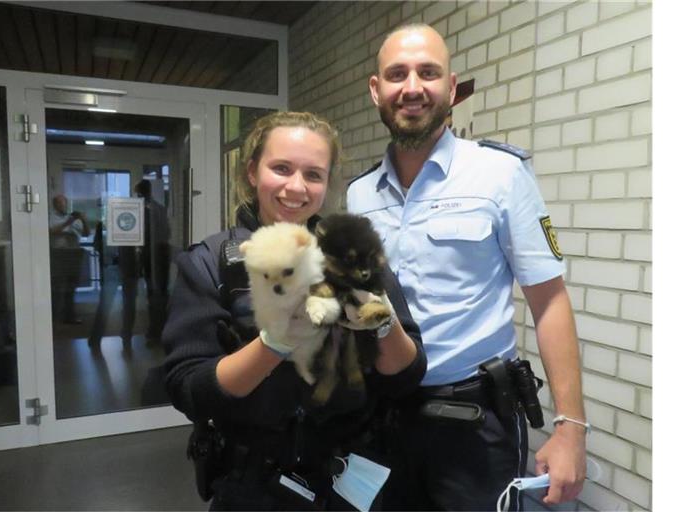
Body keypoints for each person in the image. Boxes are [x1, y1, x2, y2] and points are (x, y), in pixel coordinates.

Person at [347, 24, 588, 511]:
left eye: (428, 73)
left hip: (474, 424)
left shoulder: (500, 174)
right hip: (382, 419)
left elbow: (549, 301)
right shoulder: (359, 195)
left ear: (451, 88)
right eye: (397, 74)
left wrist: (571, 427)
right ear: (377, 90)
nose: (412, 87)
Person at [161, 111, 426, 511]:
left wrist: (384, 323)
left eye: (313, 175)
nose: (296, 187)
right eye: (281, 168)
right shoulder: (212, 262)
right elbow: (191, 391)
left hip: (349, 479)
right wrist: (276, 341)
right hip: (252, 486)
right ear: (252, 172)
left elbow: (405, 377)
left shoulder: (353, 254)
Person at [120, 179, 171, 349]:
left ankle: (134, 333)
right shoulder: (159, 209)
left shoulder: (136, 210)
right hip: (156, 257)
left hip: (152, 258)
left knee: (147, 297)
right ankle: (154, 332)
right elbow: (167, 233)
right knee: (155, 296)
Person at [49, 193, 90, 324]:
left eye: (65, 203)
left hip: (73, 254)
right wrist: (69, 222)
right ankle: (54, 317)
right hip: (58, 255)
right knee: (57, 287)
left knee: (71, 287)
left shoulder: (72, 218)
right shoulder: (51, 217)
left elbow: (87, 233)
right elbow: (52, 231)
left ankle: (69, 316)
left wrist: (83, 219)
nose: (63, 206)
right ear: (55, 205)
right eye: (60, 203)